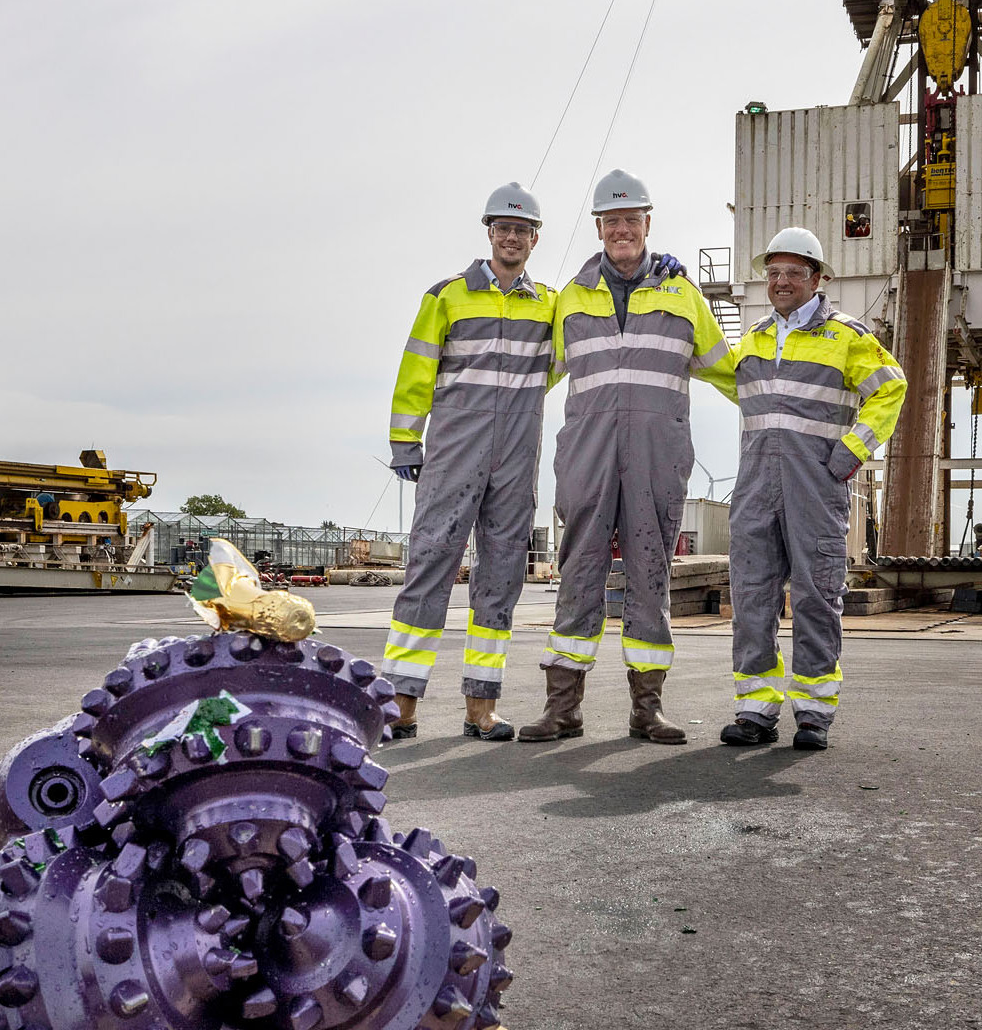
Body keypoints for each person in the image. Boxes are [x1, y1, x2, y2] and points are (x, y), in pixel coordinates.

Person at [518, 169, 736, 744]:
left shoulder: (682, 294)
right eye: (611, 221)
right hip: (587, 455)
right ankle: (562, 708)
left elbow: (729, 371)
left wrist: (790, 410)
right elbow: (529, 377)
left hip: (657, 455)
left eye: (630, 220)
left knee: (650, 576)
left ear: (647, 225)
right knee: (578, 575)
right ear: (598, 228)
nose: (621, 230)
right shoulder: (568, 298)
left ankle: (648, 709)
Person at [382, 183, 557, 740]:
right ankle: (401, 703)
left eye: (521, 229)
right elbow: (416, 373)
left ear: (535, 237)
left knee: (501, 578)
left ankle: (481, 707)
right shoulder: (447, 296)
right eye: (502, 228)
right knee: (429, 566)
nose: (511, 237)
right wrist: (406, 442)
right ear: (489, 233)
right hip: (456, 451)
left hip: (515, 457)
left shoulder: (549, 303)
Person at [719, 226, 904, 751]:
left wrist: (851, 451)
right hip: (756, 486)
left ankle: (814, 713)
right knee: (751, 595)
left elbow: (891, 388)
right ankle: (755, 711)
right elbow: (711, 369)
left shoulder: (847, 336)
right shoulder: (752, 339)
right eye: (773, 273)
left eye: (793, 273)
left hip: (815, 486)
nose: (781, 282)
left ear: (817, 279)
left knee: (816, 596)